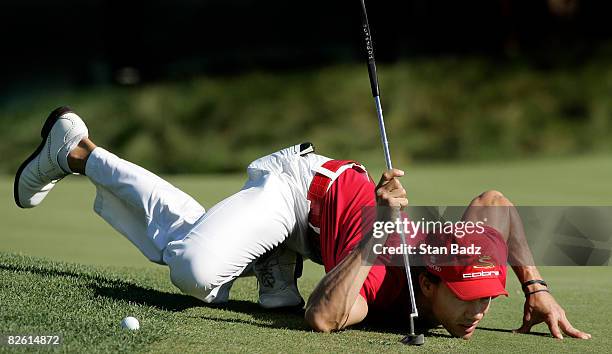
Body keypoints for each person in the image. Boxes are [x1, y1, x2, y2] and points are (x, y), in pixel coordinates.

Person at [14, 107, 591, 340]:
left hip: (318, 240)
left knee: (223, 272)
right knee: (194, 270)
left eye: (486, 296)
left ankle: (271, 258)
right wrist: (376, 236)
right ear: (431, 284)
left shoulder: (451, 248)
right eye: (470, 297)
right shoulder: (378, 283)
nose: (481, 308)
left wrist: (536, 286)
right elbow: (321, 318)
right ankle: (79, 151)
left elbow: (495, 200)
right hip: (296, 189)